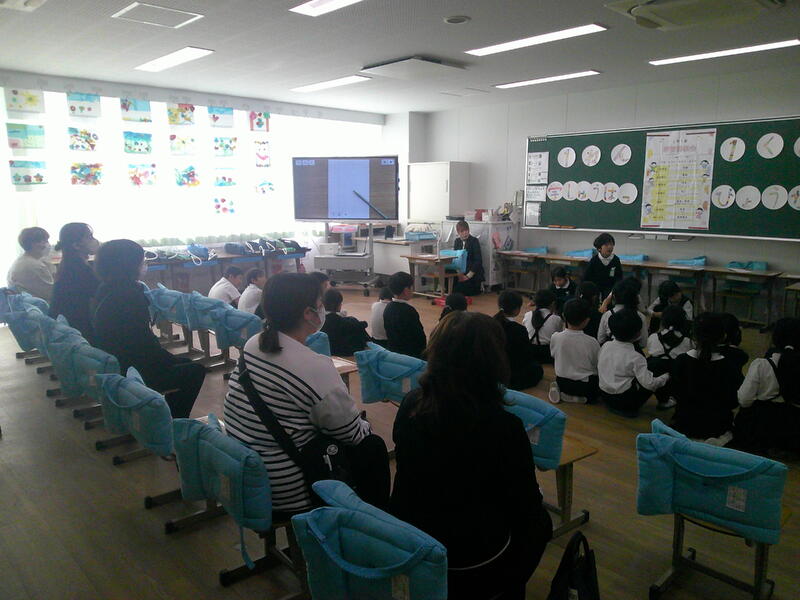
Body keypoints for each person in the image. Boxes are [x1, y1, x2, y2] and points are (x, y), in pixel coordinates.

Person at [390, 311, 552, 600]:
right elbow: (525, 506)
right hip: (471, 561)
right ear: (494, 362)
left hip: (412, 542)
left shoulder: (411, 404)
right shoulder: (504, 427)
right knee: (541, 522)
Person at [223, 273, 390, 512]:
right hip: (286, 489)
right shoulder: (315, 366)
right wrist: (365, 427)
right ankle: (372, 522)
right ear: (309, 314)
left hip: (247, 473)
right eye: (320, 304)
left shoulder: (254, 343)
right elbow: (352, 434)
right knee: (372, 446)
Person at [92, 240, 205, 419]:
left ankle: (163, 414)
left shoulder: (104, 289)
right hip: (132, 367)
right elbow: (143, 345)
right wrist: (170, 360)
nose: (145, 264)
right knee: (196, 371)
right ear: (129, 265)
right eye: (142, 261)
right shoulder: (129, 296)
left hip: (115, 359)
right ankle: (172, 420)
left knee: (186, 363)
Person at [669, 313, 740, 445]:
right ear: (723, 336)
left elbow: (674, 393)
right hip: (717, 429)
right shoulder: (729, 366)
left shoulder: (681, 361)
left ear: (693, 336)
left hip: (684, 426)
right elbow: (733, 402)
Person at [734, 318, 800, 453]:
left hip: (760, 427)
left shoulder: (761, 365)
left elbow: (744, 400)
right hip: (793, 428)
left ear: (775, 339)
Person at [598, 308, 669, 417]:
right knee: (658, 367)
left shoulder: (605, 345)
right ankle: (665, 401)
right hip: (626, 403)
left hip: (604, 396)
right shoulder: (636, 356)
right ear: (638, 334)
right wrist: (665, 377)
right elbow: (649, 384)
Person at [49, 222, 100, 342]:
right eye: (90, 237)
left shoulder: (69, 265)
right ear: (76, 245)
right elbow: (100, 295)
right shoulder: (79, 270)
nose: (95, 240)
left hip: (68, 329)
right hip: (79, 332)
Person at [549, 299, 601, 404]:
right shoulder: (592, 342)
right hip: (585, 386)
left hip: (562, 381)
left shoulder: (555, 337)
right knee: (598, 390)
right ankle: (581, 399)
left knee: (559, 380)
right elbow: (597, 364)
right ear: (587, 320)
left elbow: (553, 354)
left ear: (563, 316)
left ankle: (561, 391)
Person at [493, 291, 543, 391]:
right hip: (511, 373)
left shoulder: (490, 323)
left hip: (495, 370)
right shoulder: (519, 329)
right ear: (517, 310)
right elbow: (526, 355)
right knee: (537, 369)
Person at [646, 305, 694, 409]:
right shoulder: (688, 341)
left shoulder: (653, 337)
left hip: (656, 377)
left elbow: (650, 350)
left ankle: (662, 398)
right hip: (676, 378)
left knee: (652, 361)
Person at [383, 271, 427, 359]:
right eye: (412, 288)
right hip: (411, 355)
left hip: (394, 352)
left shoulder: (388, 307)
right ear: (406, 290)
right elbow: (419, 337)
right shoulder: (409, 311)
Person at [7, 226, 56, 301]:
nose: (48, 245)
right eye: (45, 241)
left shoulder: (22, 260)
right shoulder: (35, 266)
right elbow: (52, 293)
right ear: (34, 244)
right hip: (38, 306)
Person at [597, 280, 648, 347]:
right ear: (635, 297)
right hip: (632, 350)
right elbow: (643, 343)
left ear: (614, 297)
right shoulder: (640, 316)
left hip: (610, 349)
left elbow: (600, 339)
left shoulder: (607, 315)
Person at [320, 288, 370, 356]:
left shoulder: (317, 321)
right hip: (345, 352)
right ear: (339, 305)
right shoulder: (346, 322)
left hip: (327, 350)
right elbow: (361, 325)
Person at [523, 289, 562, 364]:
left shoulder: (527, 315)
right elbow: (558, 337)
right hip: (548, 354)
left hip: (531, 352)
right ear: (553, 303)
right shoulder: (556, 319)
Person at [582, 232, 623, 298]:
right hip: (595, 290)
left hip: (611, 290)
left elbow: (619, 278)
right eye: (606, 245)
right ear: (599, 248)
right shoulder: (594, 261)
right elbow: (586, 278)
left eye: (611, 244)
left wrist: (614, 290)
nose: (610, 247)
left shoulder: (615, 260)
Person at [452, 220, 484, 296]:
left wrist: (468, 276)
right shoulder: (457, 241)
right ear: (458, 232)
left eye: (466, 231)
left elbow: (478, 261)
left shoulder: (474, 241)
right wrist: (459, 274)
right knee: (450, 284)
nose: (465, 233)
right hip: (461, 272)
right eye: (462, 231)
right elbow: (456, 259)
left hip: (471, 273)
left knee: (460, 290)